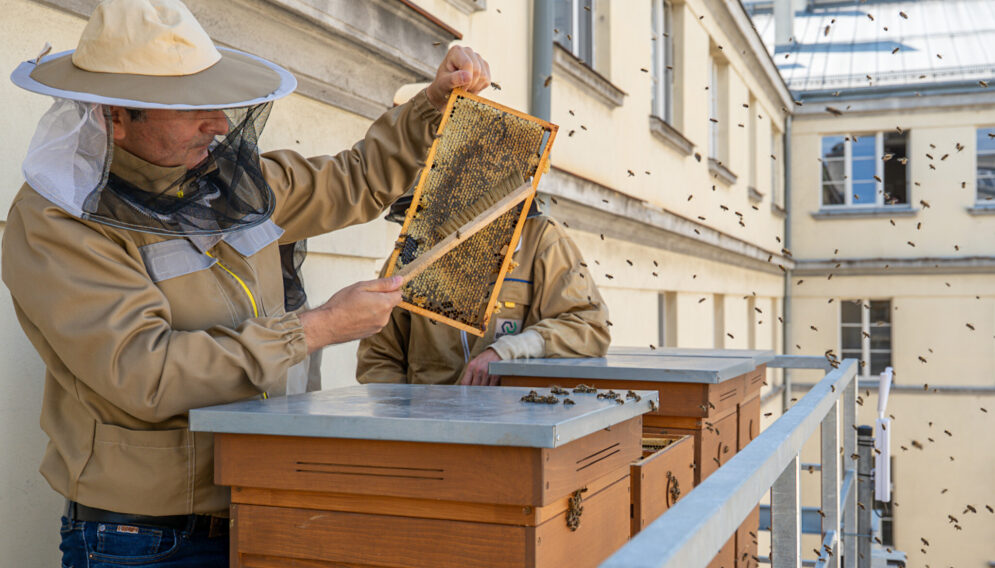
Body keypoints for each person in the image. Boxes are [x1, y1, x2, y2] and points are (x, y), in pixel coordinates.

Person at [2, 0, 491, 565]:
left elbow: (357, 179)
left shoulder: (231, 180)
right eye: (192, 108)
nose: (218, 124)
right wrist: (316, 329)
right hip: (145, 537)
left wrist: (430, 105)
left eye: (216, 103)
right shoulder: (56, 222)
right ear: (116, 116)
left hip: (267, 497)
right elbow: (144, 372)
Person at [356, 193, 611, 386]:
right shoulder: (410, 255)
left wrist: (509, 350)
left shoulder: (543, 239)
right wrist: (404, 420)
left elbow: (589, 327)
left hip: (517, 422)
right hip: (431, 425)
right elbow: (378, 357)